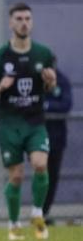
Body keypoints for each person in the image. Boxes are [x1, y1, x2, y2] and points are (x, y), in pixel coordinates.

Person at [0, 2, 57, 241]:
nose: (24, 23)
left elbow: (50, 86)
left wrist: (51, 81)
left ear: (31, 22)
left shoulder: (43, 53)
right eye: (19, 19)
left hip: (34, 120)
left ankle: (37, 213)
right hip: (9, 122)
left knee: (40, 164)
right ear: (11, 23)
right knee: (16, 175)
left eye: (27, 19)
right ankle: (14, 224)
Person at [42, 68, 72, 225]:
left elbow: (66, 105)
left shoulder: (62, 80)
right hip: (38, 137)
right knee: (40, 173)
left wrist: (46, 106)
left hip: (57, 138)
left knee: (52, 177)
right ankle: (37, 210)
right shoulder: (36, 80)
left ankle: (44, 212)